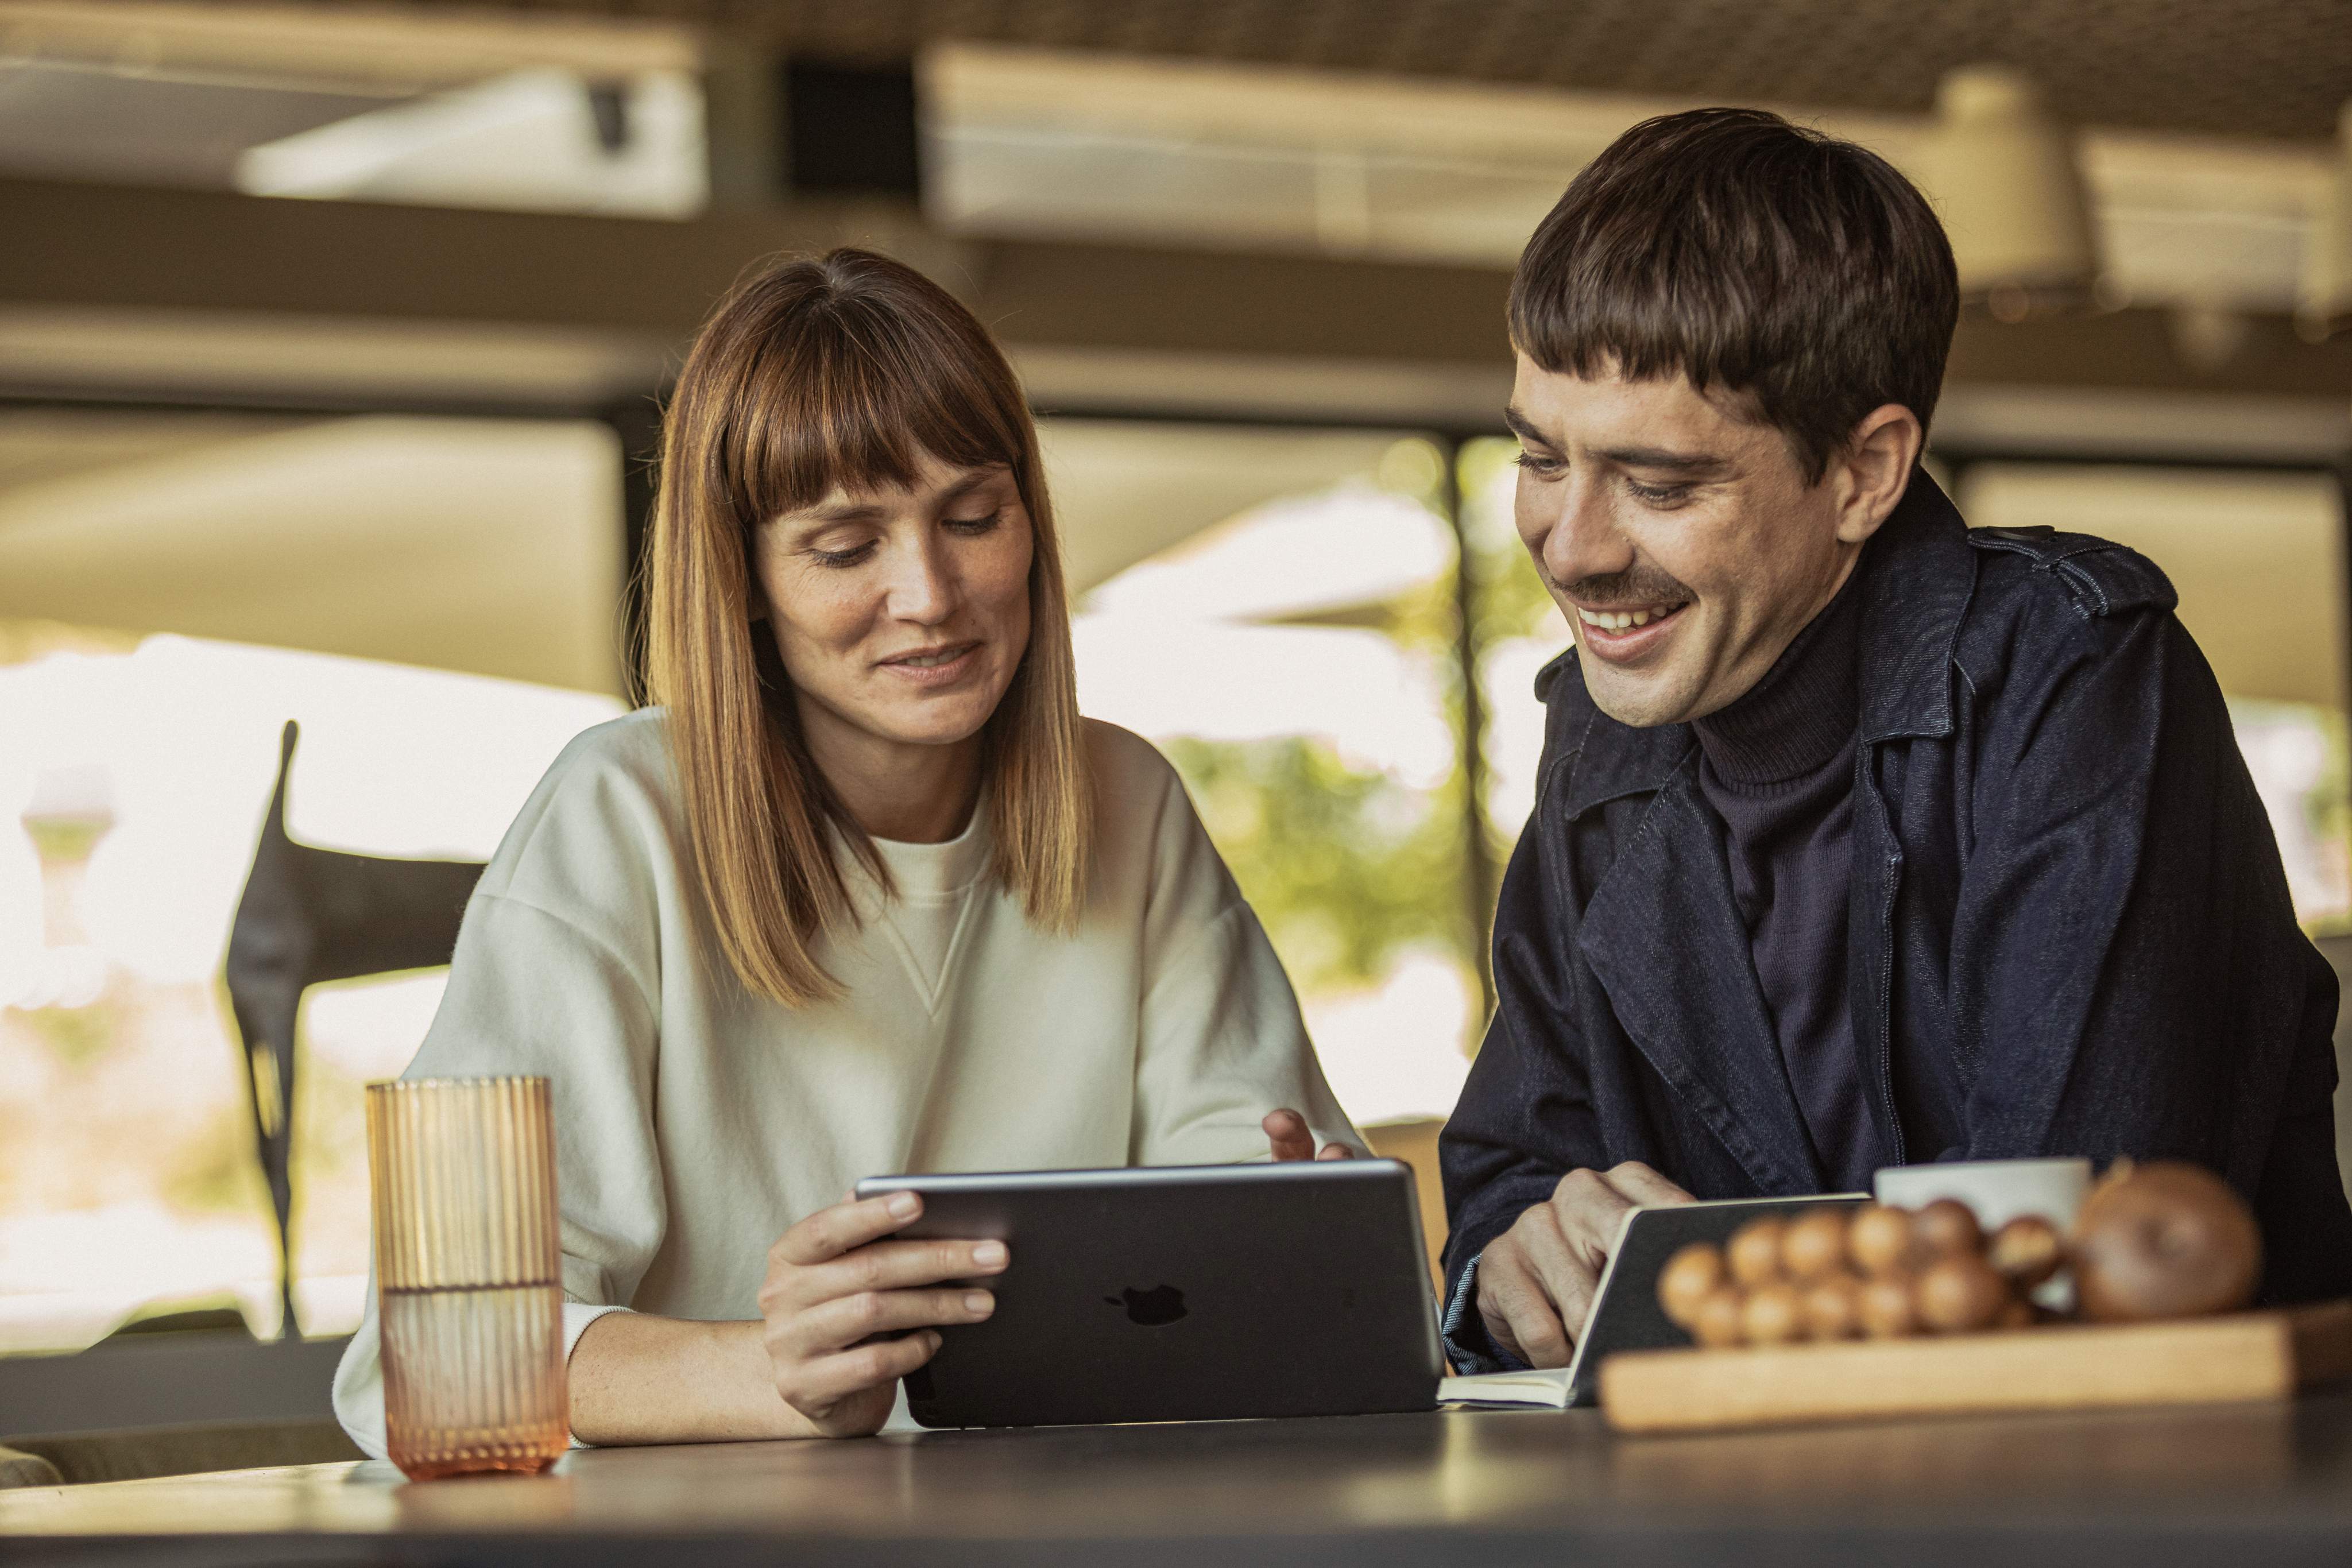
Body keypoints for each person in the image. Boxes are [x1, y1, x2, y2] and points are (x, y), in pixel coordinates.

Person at [333, 249, 1358, 1450]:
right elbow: (436, 1370)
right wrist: (771, 1373)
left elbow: (1235, 1263)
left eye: (972, 517)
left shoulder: (1124, 799)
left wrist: (1297, 1235)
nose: (929, 593)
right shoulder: (615, 816)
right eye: (842, 546)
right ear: (746, 580)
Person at [1440, 107, 2352, 1373]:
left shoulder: (2074, 672)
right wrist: (1510, 1264)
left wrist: (1700, 1277)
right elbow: (1510, 1174)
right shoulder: (1593, 737)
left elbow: (2064, 1230)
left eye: (1658, 485)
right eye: (1540, 456)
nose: (1570, 543)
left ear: (1864, 472)